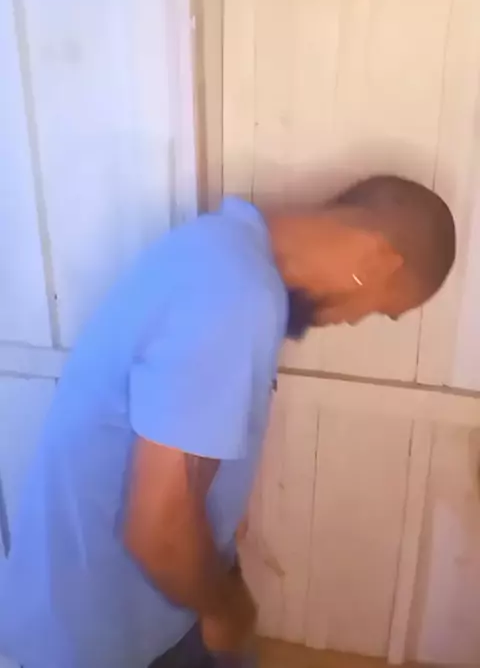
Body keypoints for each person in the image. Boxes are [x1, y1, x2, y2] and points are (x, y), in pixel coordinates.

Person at [0, 175, 455, 668]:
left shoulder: (220, 251)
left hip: (130, 612)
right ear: (380, 261)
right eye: (378, 309)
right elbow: (160, 533)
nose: (350, 321)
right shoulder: (235, 291)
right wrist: (227, 609)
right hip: (102, 637)